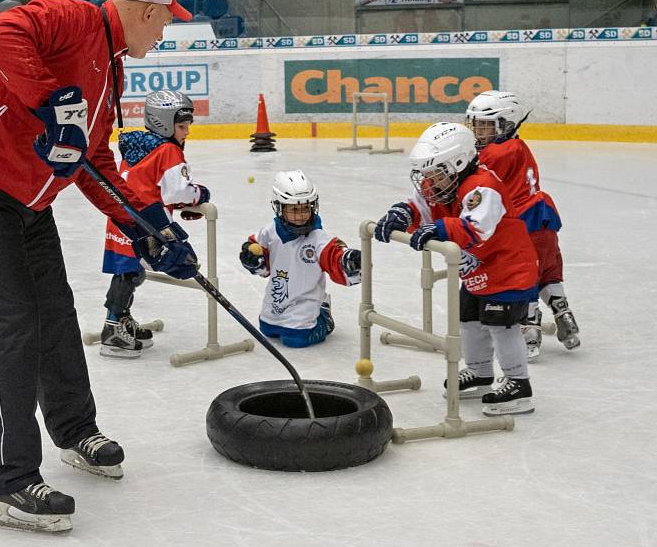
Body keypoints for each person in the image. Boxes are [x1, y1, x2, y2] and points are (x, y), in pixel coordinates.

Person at [0, 0, 196, 533]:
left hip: (29, 200)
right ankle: (6, 482)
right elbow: (1, 34)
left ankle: (75, 430)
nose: (165, 34)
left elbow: (93, 161)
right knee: (8, 326)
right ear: (146, 10)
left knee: (55, 312)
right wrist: (53, 100)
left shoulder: (112, 72)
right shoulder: (71, 18)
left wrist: (149, 227)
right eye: (166, 22)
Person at [374, 123, 538, 416]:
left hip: (508, 271)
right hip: (477, 274)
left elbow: (476, 227)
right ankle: (481, 372)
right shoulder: (441, 186)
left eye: (433, 172)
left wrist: (438, 229)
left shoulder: (482, 187)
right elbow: (422, 207)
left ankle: (518, 384)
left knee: (502, 328)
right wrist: (402, 213)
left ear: (457, 164)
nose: (427, 180)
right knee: (470, 322)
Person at [466, 90, 580, 359]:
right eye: (478, 124)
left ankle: (530, 335)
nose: (479, 130)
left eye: (486, 125)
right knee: (548, 272)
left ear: (506, 123)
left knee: (523, 277)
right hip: (544, 219)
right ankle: (563, 312)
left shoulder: (495, 153)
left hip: (522, 225)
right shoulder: (519, 145)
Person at [99, 90, 209, 358]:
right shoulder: (169, 151)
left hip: (122, 222)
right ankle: (112, 332)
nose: (187, 132)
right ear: (165, 123)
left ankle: (119, 321)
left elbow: (147, 184)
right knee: (138, 271)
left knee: (129, 272)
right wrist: (200, 194)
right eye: (182, 126)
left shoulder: (136, 145)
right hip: (148, 226)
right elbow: (176, 193)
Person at [239, 170, 361, 348]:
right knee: (267, 329)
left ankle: (323, 314)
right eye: (294, 209)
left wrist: (349, 260)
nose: (301, 214)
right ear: (279, 207)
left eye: (305, 207)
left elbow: (335, 255)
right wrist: (251, 258)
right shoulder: (270, 231)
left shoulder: (318, 238)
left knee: (295, 339)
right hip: (277, 298)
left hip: (305, 301)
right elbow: (261, 259)